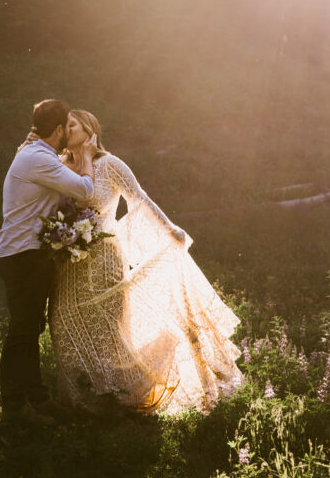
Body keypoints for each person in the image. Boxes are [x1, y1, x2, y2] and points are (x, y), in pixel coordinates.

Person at [49, 109, 243, 415]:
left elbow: (138, 198)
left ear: (89, 130)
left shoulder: (110, 164)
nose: (66, 130)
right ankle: (83, 397)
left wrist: (169, 228)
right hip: (67, 263)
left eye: (72, 125)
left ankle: (122, 394)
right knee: (63, 322)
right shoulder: (58, 166)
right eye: (64, 126)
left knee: (109, 329)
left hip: (102, 258)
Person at [0, 99, 97, 425]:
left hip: (25, 253)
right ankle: (15, 408)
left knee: (29, 328)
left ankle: (37, 398)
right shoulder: (38, 158)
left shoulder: (36, 154)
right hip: (23, 255)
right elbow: (84, 189)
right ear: (56, 131)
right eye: (66, 126)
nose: (69, 130)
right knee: (23, 332)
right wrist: (89, 159)